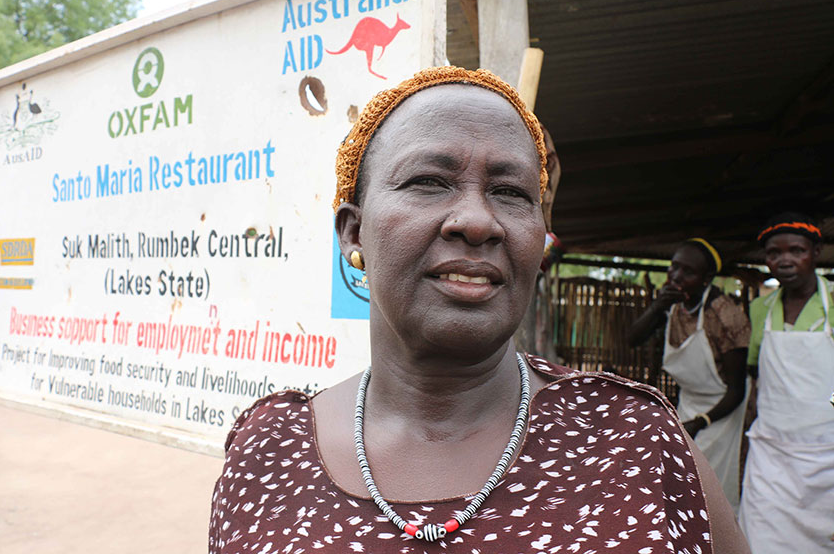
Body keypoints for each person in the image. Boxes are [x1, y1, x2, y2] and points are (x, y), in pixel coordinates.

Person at [208, 67, 748, 553]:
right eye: (428, 182)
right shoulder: (267, 453)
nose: (477, 220)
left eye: (511, 192)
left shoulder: (635, 441)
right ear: (354, 230)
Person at [628, 239, 750, 510]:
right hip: (690, 405)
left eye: (688, 272)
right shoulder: (672, 304)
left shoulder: (726, 315)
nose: (676, 276)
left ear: (707, 278)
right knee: (683, 481)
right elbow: (632, 338)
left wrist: (702, 421)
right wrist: (656, 307)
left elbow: (737, 391)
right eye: (674, 267)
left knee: (714, 488)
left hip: (724, 410)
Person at [739, 212, 834, 553]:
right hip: (772, 452)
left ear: (816, 252)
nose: (785, 261)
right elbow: (756, 373)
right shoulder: (761, 309)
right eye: (774, 253)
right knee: (762, 539)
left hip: (827, 456)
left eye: (796, 250)